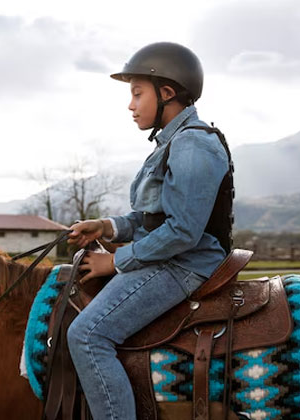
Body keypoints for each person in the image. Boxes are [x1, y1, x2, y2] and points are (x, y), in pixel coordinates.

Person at [66, 42, 232, 419]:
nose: (130, 104)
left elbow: (182, 232)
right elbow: (151, 217)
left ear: (167, 92)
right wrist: (106, 225)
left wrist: (116, 262)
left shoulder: (192, 145)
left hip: (184, 264)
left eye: (137, 93)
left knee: (87, 335)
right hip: (169, 255)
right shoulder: (171, 142)